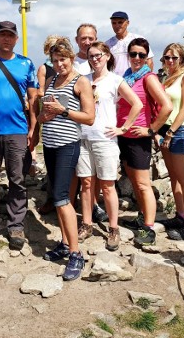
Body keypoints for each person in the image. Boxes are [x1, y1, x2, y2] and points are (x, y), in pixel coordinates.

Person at [0, 21, 39, 254]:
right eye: (2, 35)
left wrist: (34, 127)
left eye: (10, 35)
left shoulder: (26, 63)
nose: (6, 39)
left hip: (17, 131)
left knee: (18, 180)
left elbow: (33, 98)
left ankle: (15, 227)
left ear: (16, 38)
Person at [76, 42, 142, 250]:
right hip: (83, 137)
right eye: (91, 55)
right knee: (86, 184)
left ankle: (113, 227)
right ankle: (86, 223)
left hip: (105, 139)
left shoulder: (115, 80)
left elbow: (137, 104)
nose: (94, 59)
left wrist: (123, 128)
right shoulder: (83, 80)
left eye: (98, 55)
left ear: (107, 56)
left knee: (107, 185)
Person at [39, 40, 95, 281]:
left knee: (62, 198)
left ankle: (75, 254)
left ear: (71, 58)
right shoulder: (51, 81)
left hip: (67, 145)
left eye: (63, 59)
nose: (59, 64)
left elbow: (90, 117)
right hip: (49, 145)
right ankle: (64, 243)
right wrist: (45, 114)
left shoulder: (80, 81)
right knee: (59, 196)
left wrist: (62, 111)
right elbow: (42, 117)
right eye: (55, 60)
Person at [117, 38, 172, 247]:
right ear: (128, 56)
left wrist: (151, 130)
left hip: (139, 138)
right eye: (133, 54)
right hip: (124, 136)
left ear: (147, 56)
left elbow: (166, 106)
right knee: (134, 180)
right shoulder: (128, 76)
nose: (137, 58)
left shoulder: (148, 78)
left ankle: (149, 228)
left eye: (141, 54)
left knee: (142, 183)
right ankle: (141, 217)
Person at [157, 43, 184, 242]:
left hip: (178, 130)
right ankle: (180, 215)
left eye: (174, 57)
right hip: (166, 130)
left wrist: (171, 133)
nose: (170, 61)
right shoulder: (165, 78)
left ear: (181, 58)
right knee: (174, 176)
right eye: (166, 57)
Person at [72, 23, 109, 224]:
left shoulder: (98, 59)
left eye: (91, 38)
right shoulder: (73, 61)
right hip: (75, 124)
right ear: (77, 40)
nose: (87, 42)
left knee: (94, 172)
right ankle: (69, 204)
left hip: (98, 126)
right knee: (78, 171)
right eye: (83, 38)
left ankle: (94, 205)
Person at [36, 35, 71, 215]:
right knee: (53, 173)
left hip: (70, 130)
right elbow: (40, 91)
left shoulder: (72, 71)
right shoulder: (45, 68)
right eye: (52, 49)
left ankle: (64, 205)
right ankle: (53, 201)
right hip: (52, 124)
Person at [104, 11, 154, 76]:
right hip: (115, 82)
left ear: (127, 23)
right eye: (114, 23)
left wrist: (144, 80)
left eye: (120, 22)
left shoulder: (138, 39)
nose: (117, 25)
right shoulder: (107, 44)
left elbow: (149, 62)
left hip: (135, 81)